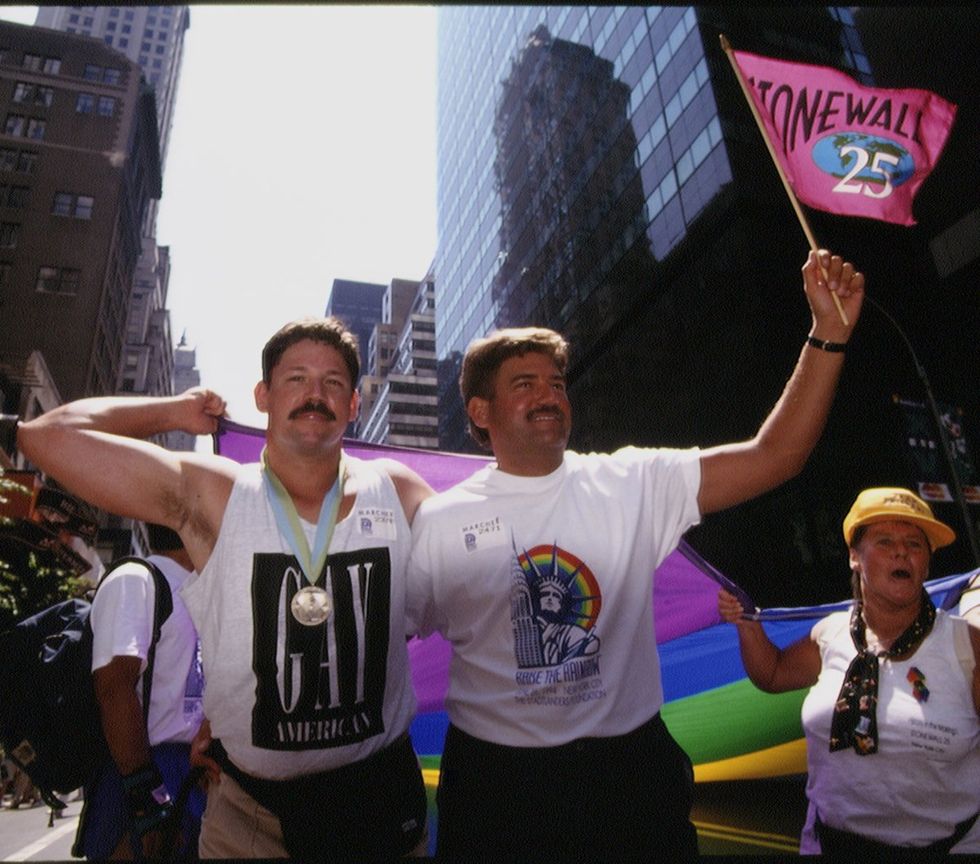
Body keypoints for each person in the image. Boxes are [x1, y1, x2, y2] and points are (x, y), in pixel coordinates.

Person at [406, 249, 864, 858]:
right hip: (496, 787)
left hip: (630, 775)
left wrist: (827, 336)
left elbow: (775, 457)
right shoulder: (440, 522)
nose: (548, 395)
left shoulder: (633, 482)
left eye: (556, 383)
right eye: (525, 384)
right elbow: (383, 639)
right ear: (480, 413)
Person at [17, 317, 433, 860]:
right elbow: (46, 437)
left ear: (354, 404)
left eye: (333, 382)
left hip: (378, 803)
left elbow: (482, 583)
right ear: (262, 396)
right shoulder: (213, 494)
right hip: (249, 816)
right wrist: (174, 411)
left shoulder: (396, 490)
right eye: (296, 378)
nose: (315, 393)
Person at [718, 487, 980, 854]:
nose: (902, 551)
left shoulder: (967, 644)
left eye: (915, 544)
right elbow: (773, 675)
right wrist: (745, 623)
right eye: (885, 541)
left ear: (926, 562)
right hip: (830, 845)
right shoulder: (831, 633)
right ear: (855, 557)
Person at [75, 523, 206, 860]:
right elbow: (114, 688)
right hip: (141, 775)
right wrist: (145, 799)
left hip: (190, 773)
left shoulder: (202, 587)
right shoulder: (136, 579)